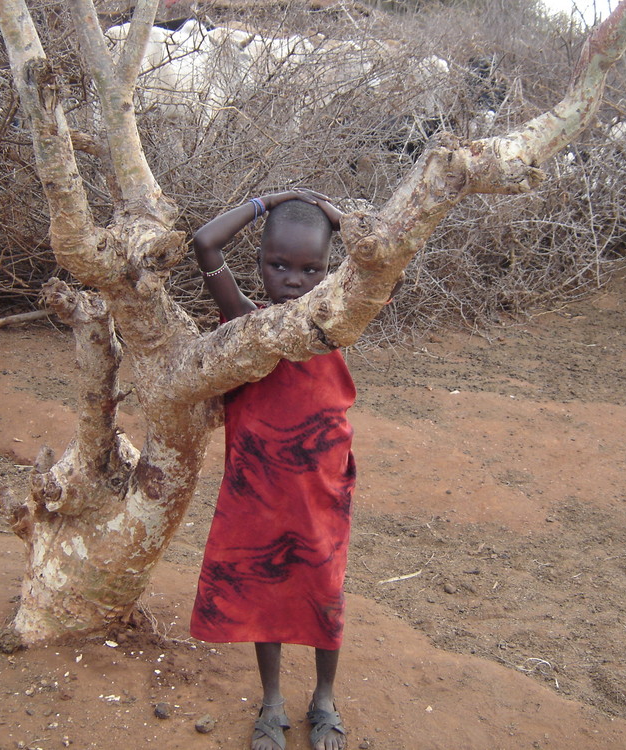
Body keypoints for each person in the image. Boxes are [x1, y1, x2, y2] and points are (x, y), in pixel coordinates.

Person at [189, 189, 352, 750]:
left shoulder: (335, 325)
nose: (293, 279)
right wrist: (270, 201)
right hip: (258, 492)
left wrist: (344, 222)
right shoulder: (245, 325)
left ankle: (325, 699)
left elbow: (388, 271)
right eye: (277, 264)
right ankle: (272, 703)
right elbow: (205, 242)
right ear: (258, 264)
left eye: (312, 268)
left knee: (324, 589)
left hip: (322, 490)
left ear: (328, 272)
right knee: (266, 593)